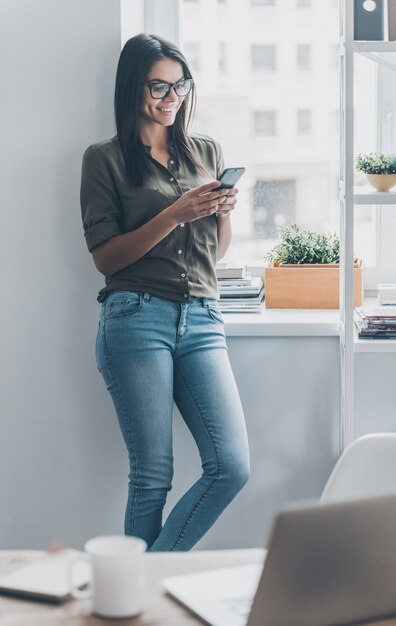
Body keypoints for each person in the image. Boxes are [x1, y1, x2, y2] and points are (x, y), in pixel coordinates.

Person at [80, 33, 250, 552]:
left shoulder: (205, 150)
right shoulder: (104, 159)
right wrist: (176, 212)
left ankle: (139, 585)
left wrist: (221, 213)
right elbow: (106, 259)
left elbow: (214, 254)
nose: (171, 97)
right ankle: (143, 604)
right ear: (133, 86)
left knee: (231, 467)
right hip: (135, 318)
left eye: (180, 85)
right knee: (152, 476)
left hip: (202, 317)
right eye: (159, 86)